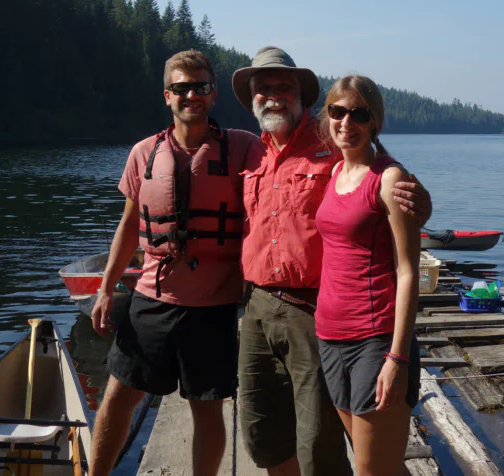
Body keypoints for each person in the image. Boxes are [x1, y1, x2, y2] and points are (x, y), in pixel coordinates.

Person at [232, 48, 431, 476]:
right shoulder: (248, 152)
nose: (272, 96)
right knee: (264, 434)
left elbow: (391, 197)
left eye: (283, 87)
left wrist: (423, 203)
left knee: (324, 446)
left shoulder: (330, 148)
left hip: (326, 316)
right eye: (263, 88)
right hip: (281, 315)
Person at [88, 50, 259, 476]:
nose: (191, 95)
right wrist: (107, 287)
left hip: (214, 307)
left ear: (213, 93)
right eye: (181, 88)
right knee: (117, 397)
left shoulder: (243, 148)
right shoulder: (144, 153)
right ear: (167, 96)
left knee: (207, 410)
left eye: (200, 86)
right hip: (151, 300)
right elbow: (129, 227)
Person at [314, 76, 421, 476]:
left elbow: (408, 270)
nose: (346, 122)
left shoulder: (389, 178)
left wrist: (397, 357)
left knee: (373, 471)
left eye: (358, 113)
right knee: (373, 464)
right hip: (329, 337)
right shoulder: (334, 174)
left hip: (375, 340)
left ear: (374, 120)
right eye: (337, 112)